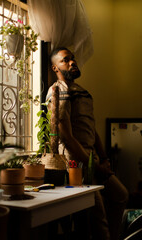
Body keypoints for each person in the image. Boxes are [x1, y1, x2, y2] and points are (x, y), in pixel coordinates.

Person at [46, 47, 128, 240]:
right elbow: (66, 136)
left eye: (72, 59)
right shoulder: (57, 91)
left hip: (94, 159)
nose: (72, 62)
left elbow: (92, 129)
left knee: (121, 195)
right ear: (54, 67)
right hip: (77, 164)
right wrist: (95, 167)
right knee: (98, 219)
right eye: (65, 60)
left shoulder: (82, 92)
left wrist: (104, 157)